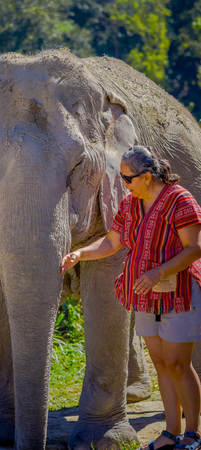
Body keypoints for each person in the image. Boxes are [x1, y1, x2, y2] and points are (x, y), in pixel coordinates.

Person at [61, 145, 201, 450]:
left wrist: (157, 273)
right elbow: (111, 242)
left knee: (179, 363)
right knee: (161, 363)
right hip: (146, 298)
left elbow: (194, 248)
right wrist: (80, 254)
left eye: (128, 178)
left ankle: (193, 435)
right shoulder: (130, 205)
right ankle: (172, 432)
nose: (124, 184)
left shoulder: (181, 200)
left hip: (179, 293)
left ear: (147, 177)